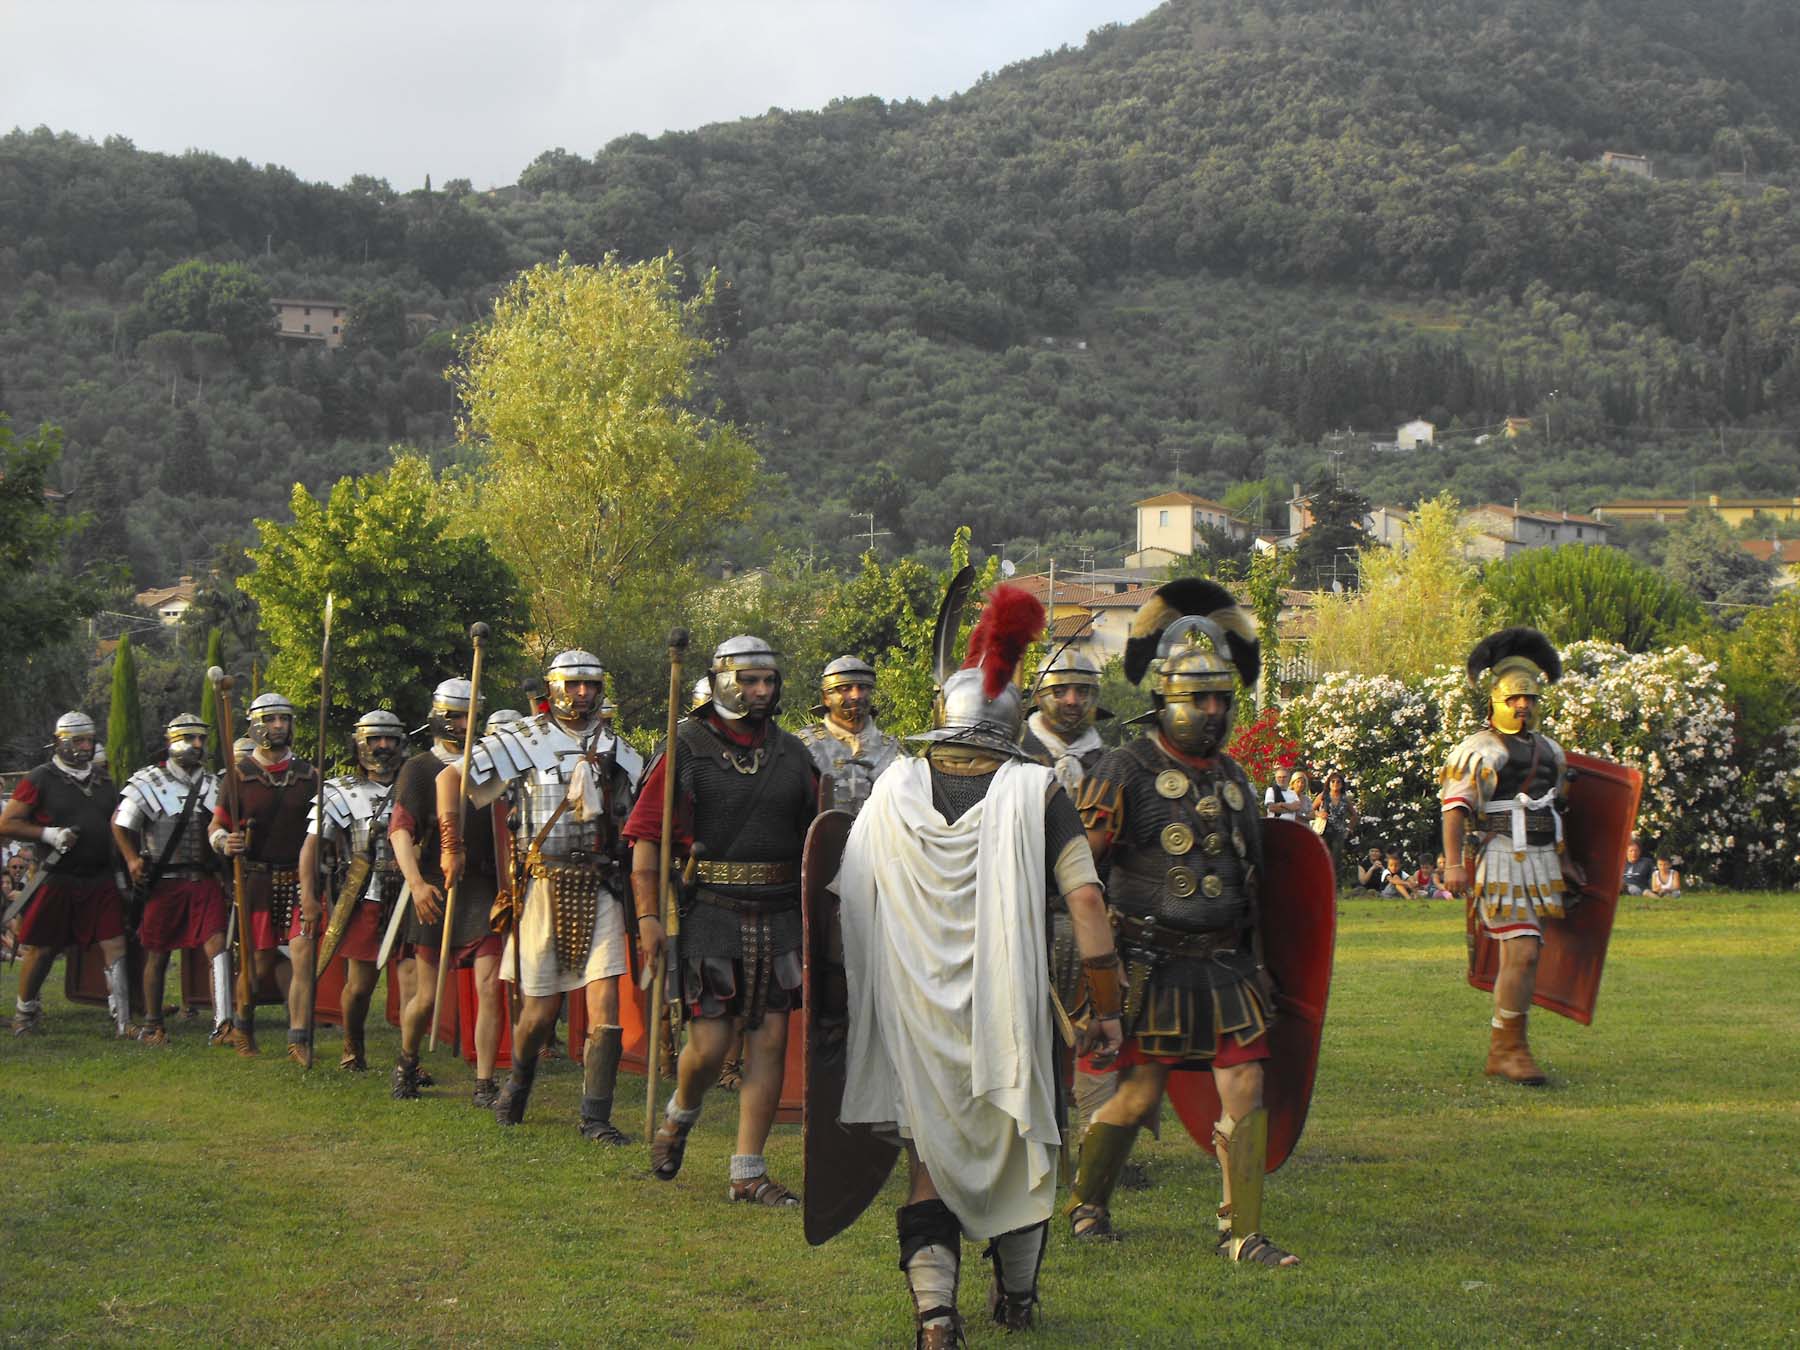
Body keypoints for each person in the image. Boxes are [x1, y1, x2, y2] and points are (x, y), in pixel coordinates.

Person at [837, 583, 1125, 1342]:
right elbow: (1088, 906)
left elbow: (849, 903)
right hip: (1012, 1011)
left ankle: (936, 1320)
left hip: (913, 1013)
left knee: (929, 1158)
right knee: (1019, 1148)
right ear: (1008, 723)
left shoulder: (891, 788)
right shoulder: (1037, 790)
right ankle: (1019, 1300)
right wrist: (1108, 1007)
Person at [1067, 578, 1301, 1267]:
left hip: (1225, 962)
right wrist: (1087, 972)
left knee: (1246, 1085)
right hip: (1151, 963)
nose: (1212, 711)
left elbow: (1253, 878)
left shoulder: (1233, 775)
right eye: (1199, 699)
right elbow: (1079, 876)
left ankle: (1242, 1231)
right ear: (1163, 701)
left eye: (1222, 699)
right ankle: (1089, 1203)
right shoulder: (1122, 768)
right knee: (1138, 1099)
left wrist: (1260, 959)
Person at [626, 634, 819, 1206]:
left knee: (770, 1041)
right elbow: (646, 843)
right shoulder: (684, 746)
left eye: (769, 680)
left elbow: (818, 835)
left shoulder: (792, 753)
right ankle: (681, 1111)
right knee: (709, 1047)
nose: (762, 691)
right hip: (711, 911)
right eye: (750, 680)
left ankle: (747, 1172)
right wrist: (648, 918)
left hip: (779, 912)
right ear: (722, 680)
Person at [461, 650, 643, 1139]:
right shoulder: (522, 740)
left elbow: (634, 817)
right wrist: (448, 843)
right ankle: (516, 1088)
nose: (582, 694)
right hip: (543, 884)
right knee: (541, 1011)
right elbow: (452, 781)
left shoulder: (616, 748)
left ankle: (596, 1117)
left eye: (591, 685)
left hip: (601, 884)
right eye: (573, 685)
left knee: (605, 1001)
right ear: (555, 687)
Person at [1442, 627, 1584, 1086]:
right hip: (1503, 856)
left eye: (1530, 698)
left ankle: (1506, 1045)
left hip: (1542, 861)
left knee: (1525, 955)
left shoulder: (1551, 751)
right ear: (1496, 701)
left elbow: (1556, 809)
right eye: (1515, 698)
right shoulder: (1479, 749)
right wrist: (1453, 862)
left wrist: (1565, 860)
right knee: (1521, 951)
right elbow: (1455, 807)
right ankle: (1509, 1048)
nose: (1523, 705)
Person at [389, 678, 503, 1103]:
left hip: (486, 886)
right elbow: (400, 831)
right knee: (425, 998)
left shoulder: (492, 764)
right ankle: (406, 1060)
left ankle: (485, 1083)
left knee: (490, 985)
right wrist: (416, 884)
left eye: (470, 714)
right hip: (437, 888)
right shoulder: (419, 768)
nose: (464, 722)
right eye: (456, 714)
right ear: (440, 717)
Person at [293, 710, 408, 1072]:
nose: (383, 746)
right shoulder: (340, 792)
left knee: (412, 982)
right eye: (375, 739)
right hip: (366, 895)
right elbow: (311, 848)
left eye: (390, 739)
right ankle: (353, 1042)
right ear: (360, 744)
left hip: (409, 895)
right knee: (360, 986)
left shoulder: (415, 785)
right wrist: (309, 898)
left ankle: (410, 1057)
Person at [209, 692, 321, 1061]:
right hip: (255, 882)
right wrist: (227, 841)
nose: (278, 726)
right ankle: (242, 1027)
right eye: (271, 719)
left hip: (297, 879)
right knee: (256, 967)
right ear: (257, 724)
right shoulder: (238, 776)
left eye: (284, 720)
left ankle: (298, 1038)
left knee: (302, 955)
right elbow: (216, 826)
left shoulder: (309, 776)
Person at [3, 713, 129, 1036]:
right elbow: (7, 823)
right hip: (57, 875)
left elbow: (116, 826)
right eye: (78, 741)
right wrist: (48, 834)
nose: (86, 746)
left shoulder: (103, 781)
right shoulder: (40, 778)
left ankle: (124, 1018)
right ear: (61, 741)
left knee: (114, 942)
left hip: (99, 876)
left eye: (89, 740)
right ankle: (24, 1013)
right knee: (43, 948)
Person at [112, 713, 227, 1047]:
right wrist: (133, 859)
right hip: (164, 882)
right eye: (189, 738)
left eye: (201, 739)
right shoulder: (149, 782)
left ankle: (224, 1023)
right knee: (158, 953)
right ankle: (153, 1024)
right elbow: (121, 824)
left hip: (203, 878)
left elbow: (223, 826)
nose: (197, 745)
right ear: (170, 741)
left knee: (218, 947)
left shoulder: (214, 784)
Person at [797, 655, 901, 816]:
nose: (856, 695)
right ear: (826, 697)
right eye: (845, 689)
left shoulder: (893, 751)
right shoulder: (802, 748)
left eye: (862, 687)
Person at [1019, 646, 1110, 798]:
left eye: (1082, 691)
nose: (1072, 701)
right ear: (1038, 697)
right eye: (1059, 691)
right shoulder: (1017, 752)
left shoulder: (1107, 763)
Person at [1311, 772, 1359, 873]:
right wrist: (1319, 813)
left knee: (1336, 858)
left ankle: (1335, 882)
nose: (1335, 784)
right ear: (1328, 783)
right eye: (1333, 781)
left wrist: (1349, 829)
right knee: (1323, 856)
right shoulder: (1323, 796)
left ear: (1342, 784)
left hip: (1338, 832)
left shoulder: (1345, 799)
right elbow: (1310, 810)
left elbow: (1354, 815)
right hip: (1323, 830)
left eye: (1338, 782)